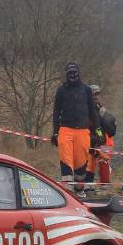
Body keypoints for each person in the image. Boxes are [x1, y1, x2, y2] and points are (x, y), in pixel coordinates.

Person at [51, 63, 100, 191]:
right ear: (66, 75)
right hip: (66, 129)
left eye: (75, 72)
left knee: (80, 162)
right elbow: (56, 113)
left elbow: (93, 112)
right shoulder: (61, 91)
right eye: (70, 73)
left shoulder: (86, 90)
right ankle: (67, 191)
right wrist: (55, 133)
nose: (72, 75)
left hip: (83, 131)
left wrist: (99, 133)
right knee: (66, 159)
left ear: (78, 73)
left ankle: (79, 189)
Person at [88, 85, 117, 187]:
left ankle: (104, 186)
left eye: (97, 94)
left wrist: (99, 138)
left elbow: (99, 127)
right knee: (89, 163)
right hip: (93, 139)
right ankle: (88, 186)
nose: (95, 96)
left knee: (103, 160)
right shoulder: (87, 108)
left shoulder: (100, 109)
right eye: (93, 94)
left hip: (102, 139)